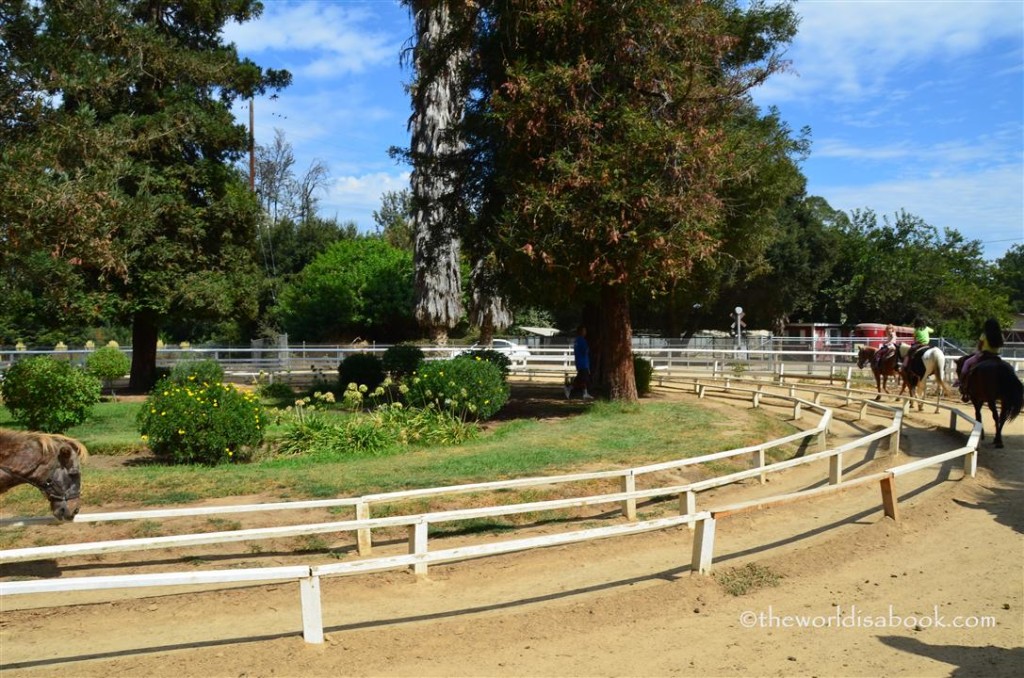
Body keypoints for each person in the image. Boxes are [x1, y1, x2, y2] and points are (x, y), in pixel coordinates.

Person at [958, 318, 1003, 401]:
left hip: (984, 355)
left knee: (966, 363)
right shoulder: (1000, 335)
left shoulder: (984, 335)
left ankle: (960, 381)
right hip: (996, 356)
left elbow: (979, 346)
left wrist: (978, 352)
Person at [565, 324, 594, 400]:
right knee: (582, 379)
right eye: (584, 331)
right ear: (581, 331)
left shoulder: (576, 340)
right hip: (583, 363)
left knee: (583, 379)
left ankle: (585, 393)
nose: (585, 332)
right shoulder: (582, 340)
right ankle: (569, 388)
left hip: (579, 362)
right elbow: (585, 351)